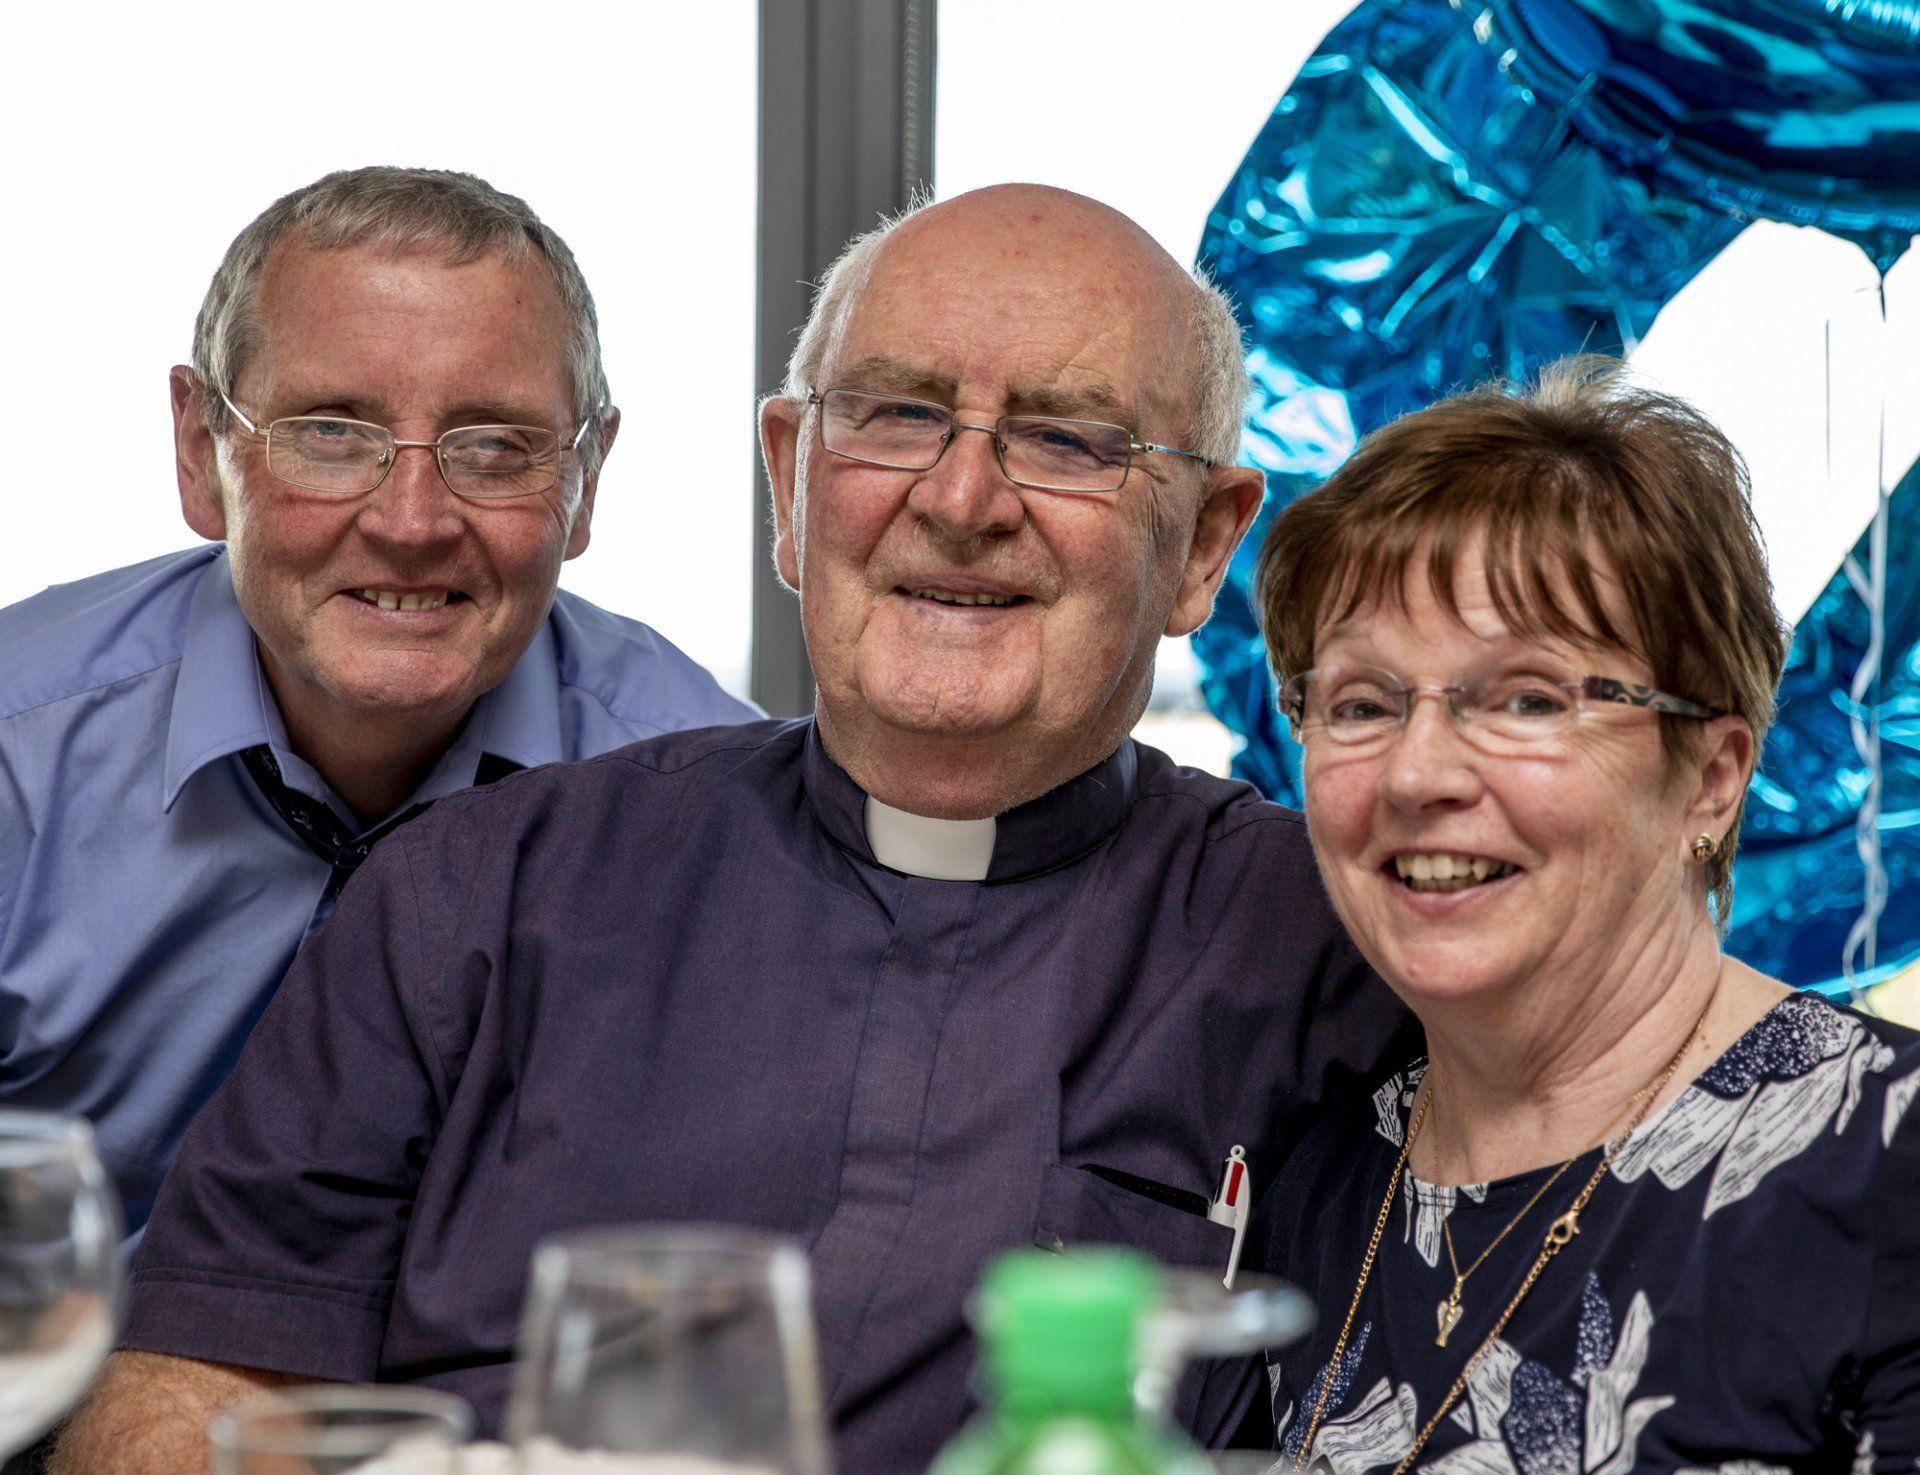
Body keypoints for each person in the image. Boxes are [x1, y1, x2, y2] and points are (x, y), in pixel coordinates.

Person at [53, 185, 1413, 1475]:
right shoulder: (467, 890)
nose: (961, 498)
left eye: (1068, 438)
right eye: (895, 415)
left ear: (1202, 545)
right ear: (789, 476)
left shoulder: (1331, 940)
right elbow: (195, 1389)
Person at [0, 167, 756, 1236]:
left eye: (494, 444)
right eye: (330, 431)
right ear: (198, 451)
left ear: (585, 477)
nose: (411, 521)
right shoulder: (15, 761)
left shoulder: (723, 816)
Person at [1252, 358, 1920, 1472]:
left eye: (1525, 698)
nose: (1419, 773)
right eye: (1362, 702)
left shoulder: (1893, 1169)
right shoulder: (1323, 1184)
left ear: (1709, 776)